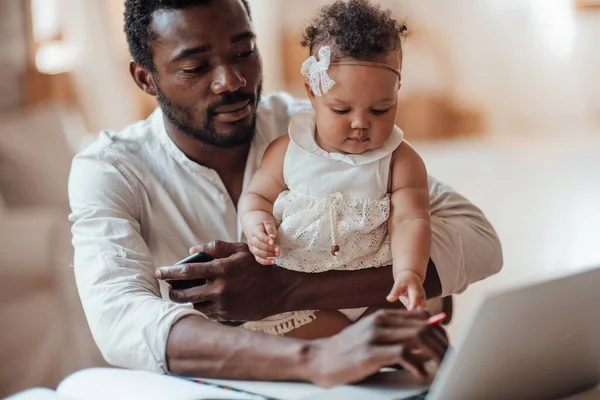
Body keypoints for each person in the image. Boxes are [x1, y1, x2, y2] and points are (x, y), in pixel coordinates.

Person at [68, 0, 502, 387]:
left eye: (244, 51)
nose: (232, 80)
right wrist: (318, 357)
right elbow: (119, 319)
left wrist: (293, 289)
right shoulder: (110, 170)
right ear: (146, 78)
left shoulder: (320, 130)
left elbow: (476, 239)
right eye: (197, 67)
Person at [239, 1, 430, 339]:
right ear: (313, 93)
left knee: (413, 324)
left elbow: (410, 219)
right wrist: (257, 224)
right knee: (306, 336)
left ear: (396, 93)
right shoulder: (287, 152)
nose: (360, 123)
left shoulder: (401, 161)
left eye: (381, 109)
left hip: (372, 287)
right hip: (298, 292)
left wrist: (409, 271)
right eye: (341, 110)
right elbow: (256, 196)